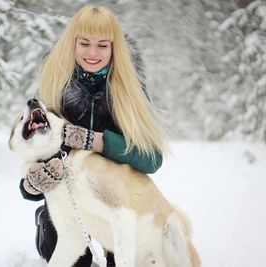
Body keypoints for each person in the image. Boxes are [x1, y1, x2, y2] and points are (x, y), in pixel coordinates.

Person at [19, 5, 166, 267]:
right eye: (84, 43)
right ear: (72, 43)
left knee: (126, 256)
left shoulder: (130, 89)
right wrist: (30, 185)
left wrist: (97, 141)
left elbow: (152, 159)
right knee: (68, 253)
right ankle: (46, 224)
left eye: (102, 45)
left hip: (117, 204)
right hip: (70, 201)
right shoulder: (54, 84)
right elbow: (32, 147)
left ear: (114, 48)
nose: (92, 53)